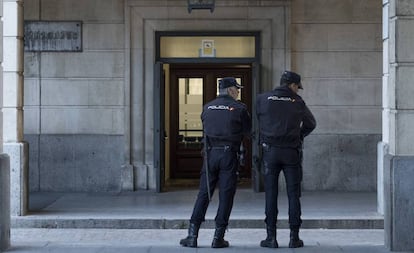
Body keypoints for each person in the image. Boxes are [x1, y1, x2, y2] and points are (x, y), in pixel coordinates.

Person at [180, 77, 251, 248]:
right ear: (230, 90)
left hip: (210, 155)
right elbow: (249, 132)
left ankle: (192, 235)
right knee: (226, 196)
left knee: (204, 194)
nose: (238, 92)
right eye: (237, 89)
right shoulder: (240, 108)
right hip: (228, 155)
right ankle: (218, 238)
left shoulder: (207, 107)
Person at [256, 70, 316, 248]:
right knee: (293, 195)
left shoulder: (262, 99)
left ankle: (271, 237)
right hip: (291, 153)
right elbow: (311, 123)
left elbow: (257, 122)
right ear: (292, 85)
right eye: (298, 87)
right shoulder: (297, 101)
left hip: (270, 152)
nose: (298, 90)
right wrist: (299, 136)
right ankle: (294, 237)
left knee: (271, 195)